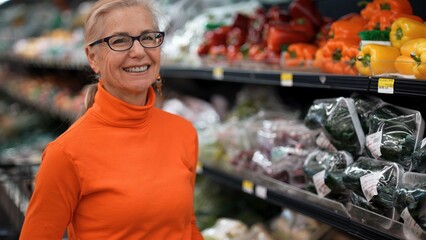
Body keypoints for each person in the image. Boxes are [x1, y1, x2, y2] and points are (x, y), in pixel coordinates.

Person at [19, 0, 204, 239]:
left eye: (148, 37)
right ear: (92, 57)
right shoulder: (66, 154)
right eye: (119, 41)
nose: (138, 51)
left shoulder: (183, 132)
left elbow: (186, 226)